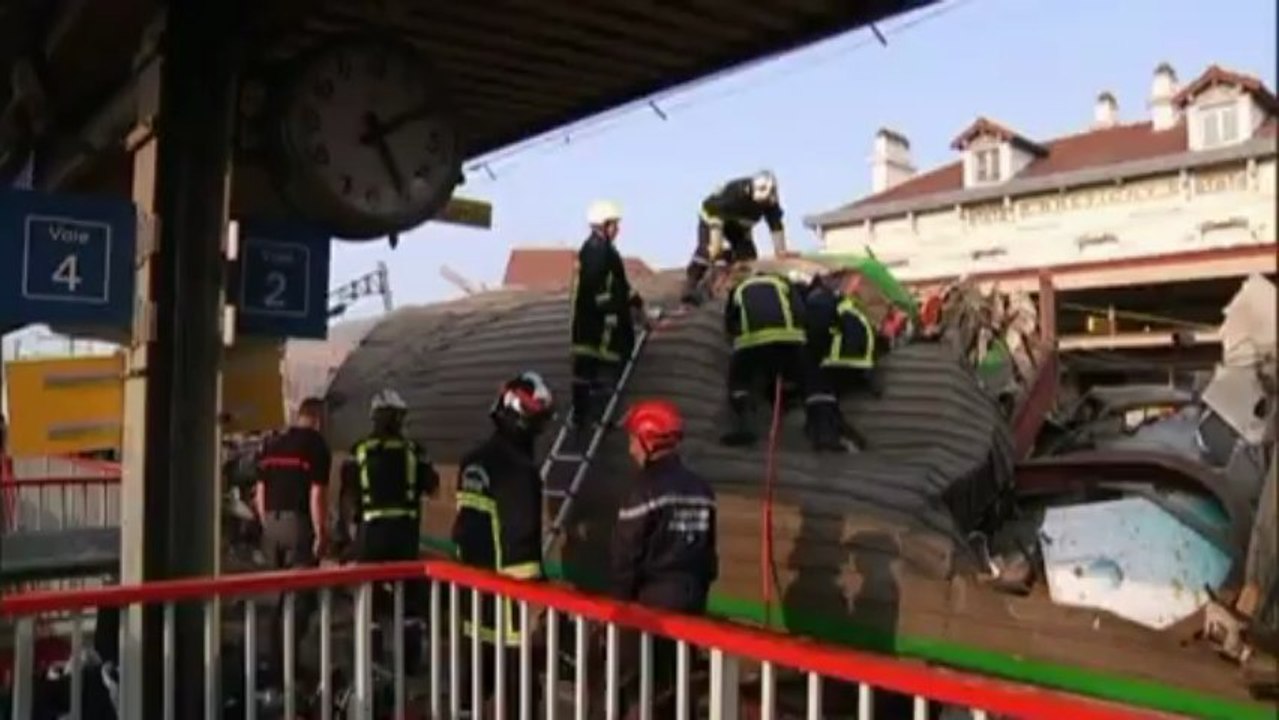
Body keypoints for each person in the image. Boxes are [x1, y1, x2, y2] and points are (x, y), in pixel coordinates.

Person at [599, 399, 718, 719]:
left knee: (627, 688)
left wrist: (615, 610)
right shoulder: (702, 490)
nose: (630, 450)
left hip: (647, 610)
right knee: (678, 689)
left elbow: (625, 556)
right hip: (691, 605)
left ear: (648, 440)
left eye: (632, 440)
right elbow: (708, 556)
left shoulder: (643, 491)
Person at [453, 371, 556, 718]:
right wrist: (538, 603)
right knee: (519, 699)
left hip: (473, 603)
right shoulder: (520, 472)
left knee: (471, 694)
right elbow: (522, 541)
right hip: (511, 614)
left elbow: (465, 528)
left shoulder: (471, 462)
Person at [340, 388, 439, 671]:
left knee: (369, 595)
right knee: (409, 597)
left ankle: (371, 659)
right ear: (399, 418)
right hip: (405, 534)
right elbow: (432, 488)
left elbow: (348, 496)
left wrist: (345, 536)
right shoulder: (415, 452)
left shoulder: (358, 451)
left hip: (370, 533)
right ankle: (410, 660)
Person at [254, 397, 331, 672]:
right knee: (301, 596)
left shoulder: (273, 444)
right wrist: (321, 532)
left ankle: (274, 657)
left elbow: (260, 492)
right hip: (299, 525)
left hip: (272, 525)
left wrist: (266, 524)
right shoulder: (316, 446)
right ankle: (289, 662)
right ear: (318, 419)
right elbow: (316, 494)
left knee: (278, 594)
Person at [569, 200, 646, 434]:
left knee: (588, 371)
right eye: (615, 224)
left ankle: (586, 418)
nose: (618, 229)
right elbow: (598, 287)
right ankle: (591, 418)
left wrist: (636, 303)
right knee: (599, 370)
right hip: (598, 326)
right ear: (605, 224)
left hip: (589, 324)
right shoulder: (597, 251)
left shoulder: (598, 249)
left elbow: (618, 285)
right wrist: (611, 313)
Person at [719, 269, 809, 447]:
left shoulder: (739, 288)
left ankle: (745, 422)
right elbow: (800, 311)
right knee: (791, 374)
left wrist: (738, 338)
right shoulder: (783, 283)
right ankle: (790, 402)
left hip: (752, 342)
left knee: (739, 382)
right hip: (789, 340)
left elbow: (730, 323)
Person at [681, 169, 789, 305]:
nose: (762, 205)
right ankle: (690, 285)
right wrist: (717, 243)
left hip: (738, 224)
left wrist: (780, 251)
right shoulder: (735, 193)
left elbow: (776, 227)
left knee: (748, 257)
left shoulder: (770, 202)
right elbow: (715, 211)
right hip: (714, 216)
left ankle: (738, 288)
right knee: (712, 250)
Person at [799, 271, 879, 453]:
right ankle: (838, 426)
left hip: (841, 357)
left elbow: (817, 331)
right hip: (861, 359)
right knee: (827, 389)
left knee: (816, 385)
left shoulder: (817, 300)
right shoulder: (842, 302)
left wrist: (809, 352)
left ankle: (825, 435)